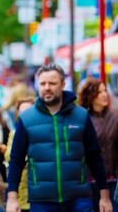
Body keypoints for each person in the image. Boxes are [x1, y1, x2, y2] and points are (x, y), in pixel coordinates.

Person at [7, 63, 112, 212]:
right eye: (43, 83)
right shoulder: (27, 118)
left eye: (52, 83)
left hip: (78, 199)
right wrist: (12, 198)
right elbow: (16, 160)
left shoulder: (80, 115)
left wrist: (105, 196)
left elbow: (94, 157)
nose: (47, 87)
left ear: (63, 84)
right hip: (42, 200)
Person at [77, 79, 118, 211]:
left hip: (113, 179)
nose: (104, 94)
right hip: (91, 181)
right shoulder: (84, 118)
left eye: (105, 91)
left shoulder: (114, 117)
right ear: (90, 95)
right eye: (99, 92)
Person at [4, 98, 35, 212]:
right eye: (21, 111)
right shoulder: (14, 133)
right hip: (20, 189)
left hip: (37, 190)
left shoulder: (40, 131)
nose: (25, 114)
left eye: (28, 110)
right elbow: (10, 157)